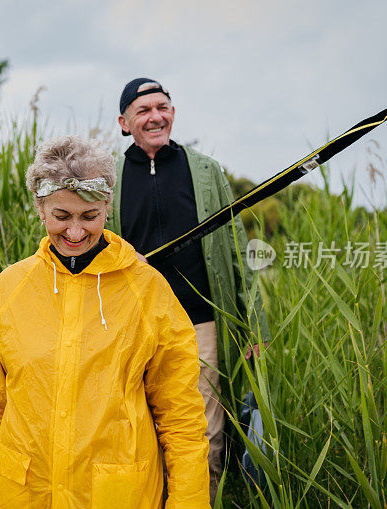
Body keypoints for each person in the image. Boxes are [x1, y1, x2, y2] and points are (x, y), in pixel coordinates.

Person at [0, 135, 211, 508]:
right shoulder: (9, 287)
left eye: (88, 216)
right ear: (40, 209)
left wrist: (187, 502)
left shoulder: (147, 291)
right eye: (61, 217)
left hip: (117, 495)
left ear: (107, 206)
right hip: (23, 494)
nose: (75, 232)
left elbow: (181, 414)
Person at [109, 78, 271, 502]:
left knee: (204, 435)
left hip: (201, 325)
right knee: (137, 432)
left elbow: (237, 249)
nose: (155, 116)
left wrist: (255, 324)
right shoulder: (108, 177)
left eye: (162, 107)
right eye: (143, 111)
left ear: (174, 114)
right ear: (124, 123)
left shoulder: (205, 170)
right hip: (134, 328)